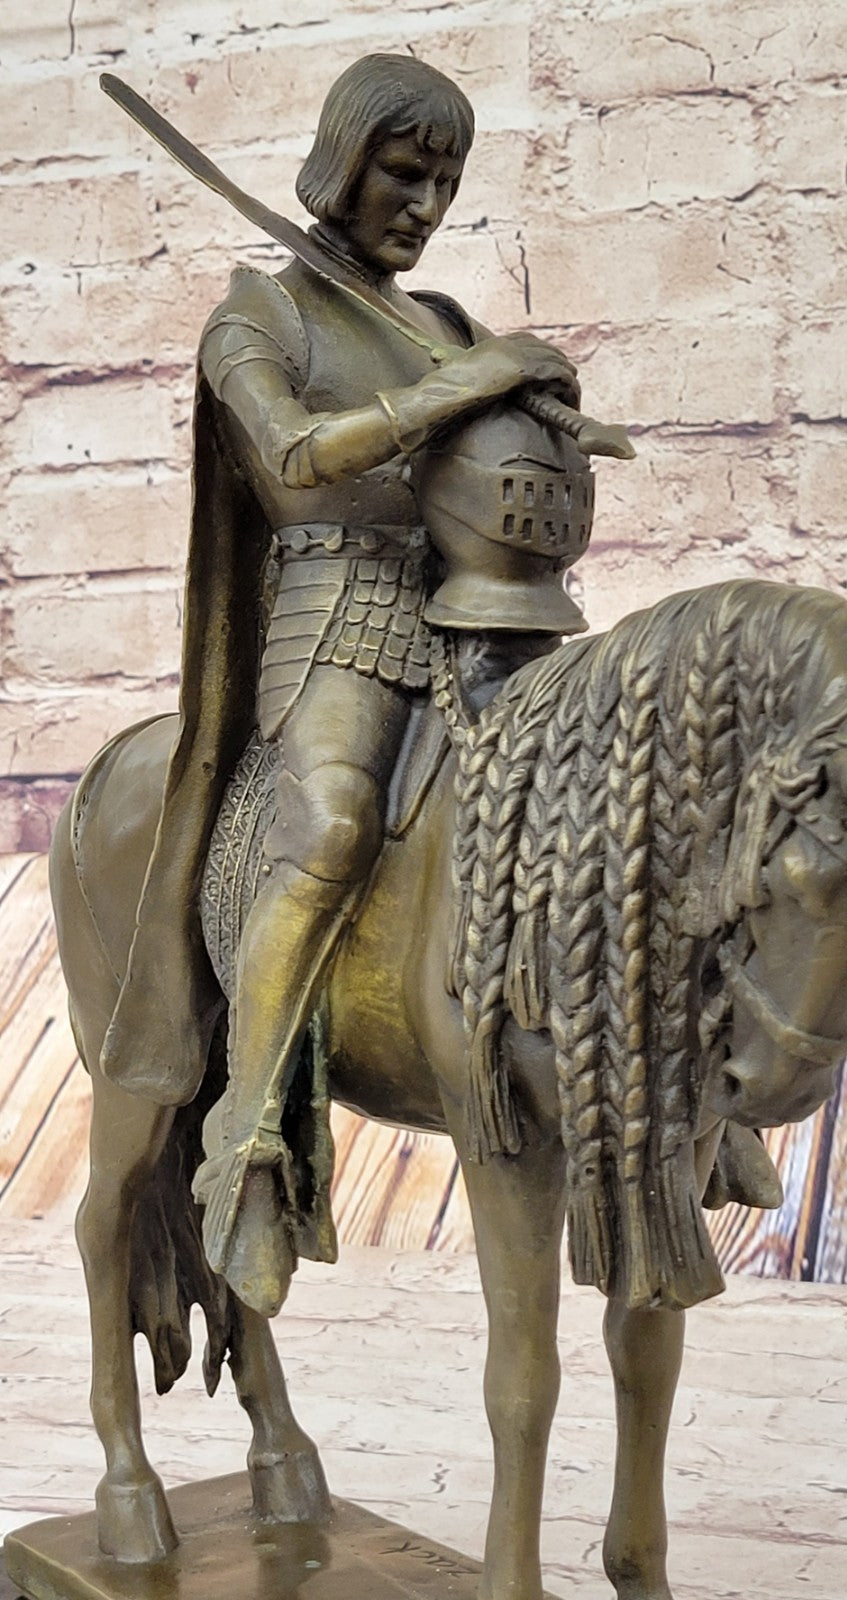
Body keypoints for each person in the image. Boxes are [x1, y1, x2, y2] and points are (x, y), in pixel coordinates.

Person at [100, 54, 582, 1317]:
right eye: (402, 173)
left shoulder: (447, 323)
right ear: (342, 161)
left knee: (610, 779)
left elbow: (497, 458)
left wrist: (545, 416)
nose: (424, 206)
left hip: (484, 613)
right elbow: (295, 454)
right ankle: (248, 1136)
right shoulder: (261, 314)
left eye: (444, 184)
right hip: (337, 620)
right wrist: (458, 389)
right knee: (327, 824)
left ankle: (672, 1087)